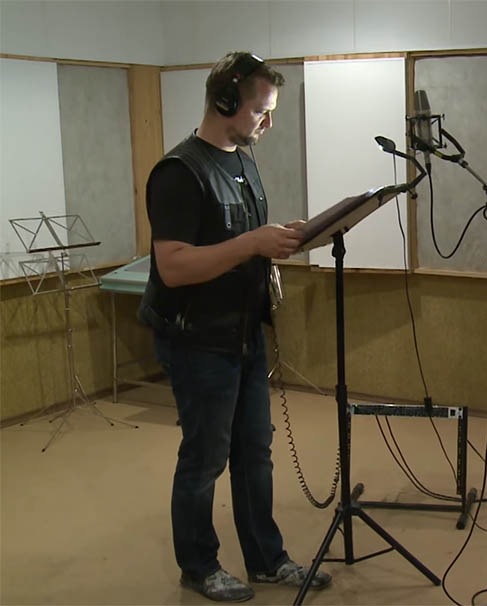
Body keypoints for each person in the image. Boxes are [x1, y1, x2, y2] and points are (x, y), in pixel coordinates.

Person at [138, 51, 330, 602]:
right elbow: (174, 266)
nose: (267, 123)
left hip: (243, 332)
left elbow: (238, 241)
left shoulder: (242, 163)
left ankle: (266, 559)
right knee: (205, 457)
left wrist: (279, 237)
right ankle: (198, 566)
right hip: (197, 340)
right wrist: (252, 243)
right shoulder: (179, 172)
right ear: (225, 102)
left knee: (254, 451)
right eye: (260, 111)